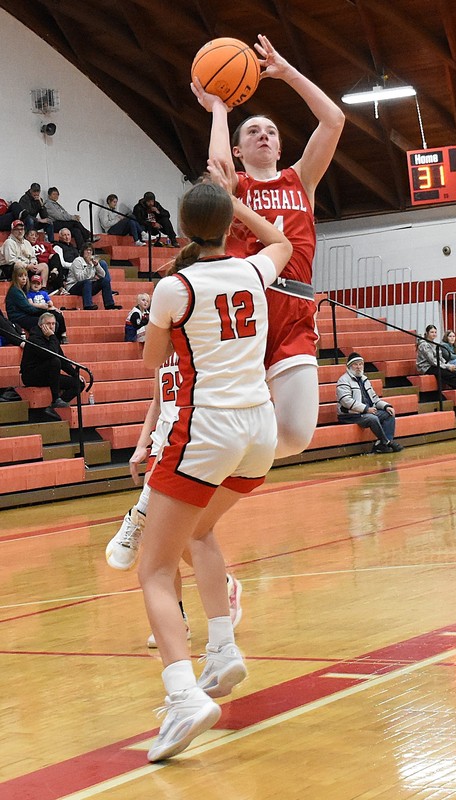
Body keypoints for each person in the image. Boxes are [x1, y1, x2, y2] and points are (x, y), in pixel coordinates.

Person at [137, 168, 292, 761]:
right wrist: (236, 204)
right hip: (259, 428)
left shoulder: (174, 288)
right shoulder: (253, 269)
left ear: (181, 228)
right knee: (198, 533)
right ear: (229, 225)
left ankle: (183, 696)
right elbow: (280, 241)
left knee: (154, 570)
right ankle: (222, 650)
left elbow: (153, 361)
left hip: (207, 428)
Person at [192, 33, 345, 459]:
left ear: (280, 146)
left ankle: (224, 462)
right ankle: (210, 466)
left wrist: (287, 72)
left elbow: (334, 120)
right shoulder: (233, 185)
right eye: (253, 131)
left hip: (294, 310)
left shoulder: (302, 179)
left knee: (296, 436)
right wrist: (219, 108)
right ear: (239, 150)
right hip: (245, 308)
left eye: (271, 131)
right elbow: (218, 168)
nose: (264, 135)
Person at [104, 352, 243, 646]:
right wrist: (141, 445)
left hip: (190, 444)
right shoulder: (161, 351)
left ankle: (221, 582)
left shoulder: (198, 344)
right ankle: (178, 617)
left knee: (178, 538)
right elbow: (157, 402)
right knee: (159, 540)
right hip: (161, 446)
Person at [336, 352, 403, 453]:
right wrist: (366, 409)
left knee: (389, 414)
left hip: (366, 412)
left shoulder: (365, 379)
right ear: (349, 366)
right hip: (350, 415)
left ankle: (382, 445)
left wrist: (386, 406)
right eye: (355, 364)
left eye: (360, 364)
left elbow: (374, 398)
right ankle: (387, 442)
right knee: (372, 418)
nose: (358, 367)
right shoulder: (343, 380)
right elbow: (346, 401)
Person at [20, 312, 83, 411]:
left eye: (53, 324)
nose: (51, 326)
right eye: (48, 324)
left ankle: (57, 405)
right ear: (41, 326)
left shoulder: (52, 338)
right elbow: (51, 354)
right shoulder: (34, 338)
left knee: (79, 383)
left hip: (49, 374)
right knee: (54, 361)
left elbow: (62, 359)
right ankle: (55, 399)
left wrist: (75, 374)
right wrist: (52, 337)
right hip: (32, 375)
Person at [5, 265, 66, 339]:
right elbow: (29, 308)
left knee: (56, 315)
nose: (24, 278)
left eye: (25, 276)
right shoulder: (15, 291)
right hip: (19, 318)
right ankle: (51, 341)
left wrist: (52, 309)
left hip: (27, 314)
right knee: (47, 321)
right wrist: (46, 309)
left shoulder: (23, 290)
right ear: (15, 278)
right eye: (20, 276)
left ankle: (61, 337)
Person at [65, 242, 122, 311]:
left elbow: (103, 275)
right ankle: (88, 305)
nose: (88, 252)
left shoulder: (92, 261)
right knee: (87, 282)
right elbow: (80, 278)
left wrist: (96, 265)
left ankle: (109, 305)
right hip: (73, 286)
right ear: (83, 251)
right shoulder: (78, 261)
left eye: (90, 250)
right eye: (87, 250)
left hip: (88, 286)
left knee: (105, 281)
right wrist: (89, 266)